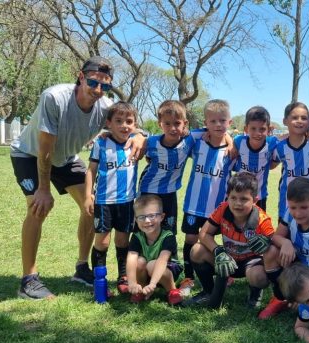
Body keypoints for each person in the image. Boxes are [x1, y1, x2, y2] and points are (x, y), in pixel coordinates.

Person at [10, 56, 146, 299]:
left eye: (105, 86)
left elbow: (128, 124)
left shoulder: (106, 106)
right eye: (93, 82)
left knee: (91, 206)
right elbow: (45, 150)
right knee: (37, 208)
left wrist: (139, 136)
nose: (98, 90)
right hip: (31, 154)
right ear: (81, 77)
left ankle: (82, 268)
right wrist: (43, 189)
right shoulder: (55, 97)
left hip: (66, 157)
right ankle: (28, 280)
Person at [184, 172, 275, 308]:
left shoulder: (262, 220)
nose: (237, 203)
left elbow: (273, 246)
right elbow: (204, 233)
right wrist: (218, 251)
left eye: (244, 199)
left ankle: (255, 294)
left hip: (250, 264)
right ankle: (208, 291)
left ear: (255, 200)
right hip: (226, 258)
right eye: (233, 198)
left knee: (259, 276)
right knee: (196, 250)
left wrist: (268, 243)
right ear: (227, 197)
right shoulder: (223, 209)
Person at [137, 100, 198, 294]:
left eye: (177, 123)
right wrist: (136, 136)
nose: (173, 128)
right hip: (148, 193)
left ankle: (170, 270)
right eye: (167, 124)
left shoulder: (189, 141)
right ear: (159, 124)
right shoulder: (151, 142)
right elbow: (132, 136)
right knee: (145, 230)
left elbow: (214, 131)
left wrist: (230, 140)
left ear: (185, 124)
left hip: (169, 195)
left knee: (168, 233)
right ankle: (139, 271)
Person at [259, 177, 309, 319]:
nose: (297, 213)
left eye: (303, 207)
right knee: (271, 251)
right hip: (298, 264)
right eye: (293, 207)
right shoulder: (289, 214)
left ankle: (302, 299)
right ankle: (280, 297)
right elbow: (276, 237)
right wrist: (286, 243)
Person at [180, 99, 237, 293]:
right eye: (212, 121)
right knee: (190, 239)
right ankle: (188, 277)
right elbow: (182, 132)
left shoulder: (232, 151)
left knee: (216, 240)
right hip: (193, 205)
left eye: (222, 120)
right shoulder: (197, 141)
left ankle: (223, 272)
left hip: (217, 209)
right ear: (206, 122)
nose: (218, 125)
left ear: (229, 123)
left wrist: (229, 139)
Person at [83, 101, 139, 296]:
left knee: (123, 241)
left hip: (126, 202)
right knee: (103, 242)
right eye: (119, 121)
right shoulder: (101, 143)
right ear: (109, 123)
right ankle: (100, 281)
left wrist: (140, 136)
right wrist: (88, 195)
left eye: (129, 121)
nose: (124, 125)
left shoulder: (137, 143)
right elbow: (91, 170)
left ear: (135, 124)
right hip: (104, 202)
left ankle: (123, 277)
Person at [274, 102, 309, 223]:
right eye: (294, 117)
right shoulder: (279, 146)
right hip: (287, 203)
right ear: (285, 121)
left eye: (304, 118)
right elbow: (271, 164)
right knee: (284, 236)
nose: (299, 121)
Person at [126, 194, 184, 305]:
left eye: (152, 216)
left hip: (169, 272)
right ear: (136, 220)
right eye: (141, 217)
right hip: (149, 272)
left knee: (152, 264)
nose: (147, 221)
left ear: (161, 217)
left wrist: (153, 284)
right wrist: (132, 282)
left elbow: (162, 261)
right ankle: (141, 290)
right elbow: (131, 258)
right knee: (139, 262)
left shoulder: (168, 236)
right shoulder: (137, 236)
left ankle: (172, 290)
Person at [233, 106, 279, 211]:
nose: (258, 133)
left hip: (260, 197)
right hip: (239, 196)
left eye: (262, 129)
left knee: (258, 226)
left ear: (269, 129)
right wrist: (231, 144)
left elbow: (273, 164)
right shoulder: (239, 141)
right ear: (246, 129)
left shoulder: (272, 143)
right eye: (253, 128)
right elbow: (230, 139)